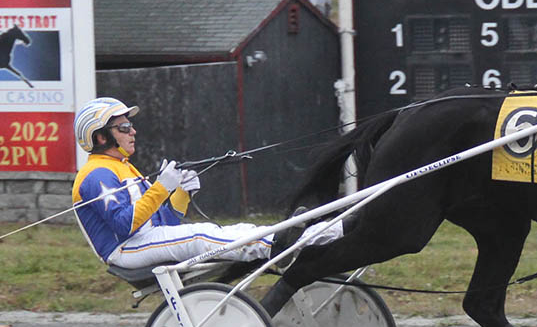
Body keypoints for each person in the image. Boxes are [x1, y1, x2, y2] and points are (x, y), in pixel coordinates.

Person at [71, 97, 341, 270]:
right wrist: (161, 188)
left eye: (130, 125)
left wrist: (180, 193)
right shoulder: (96, 175)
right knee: (201, 236)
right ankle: (276, 247)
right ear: (101, 138)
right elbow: (124, 225)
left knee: (234, 229)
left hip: (142, 241)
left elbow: (166, 224)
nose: (133, 131)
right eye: (124, 127)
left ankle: (328, 234)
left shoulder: (122, 167)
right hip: (124, 250)